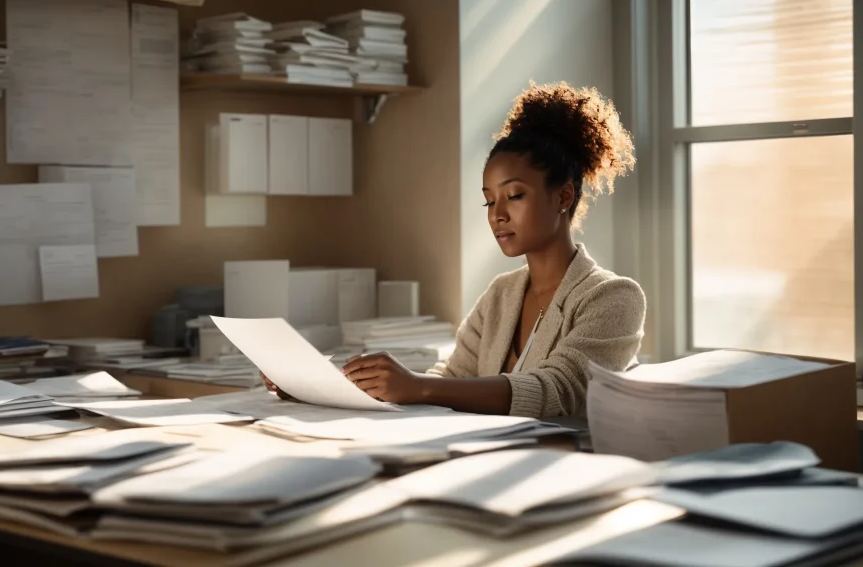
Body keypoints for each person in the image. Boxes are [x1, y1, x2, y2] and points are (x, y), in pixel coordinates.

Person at [263, 81, 645, 418]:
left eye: (514, 195)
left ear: (563, 196)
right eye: (488, 201)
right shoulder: (501, 295)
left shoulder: (613, 298)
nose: (497, 214)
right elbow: (450, 381)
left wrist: (419, 386)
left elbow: (558, 391)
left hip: (564, 474)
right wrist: (315, 386)